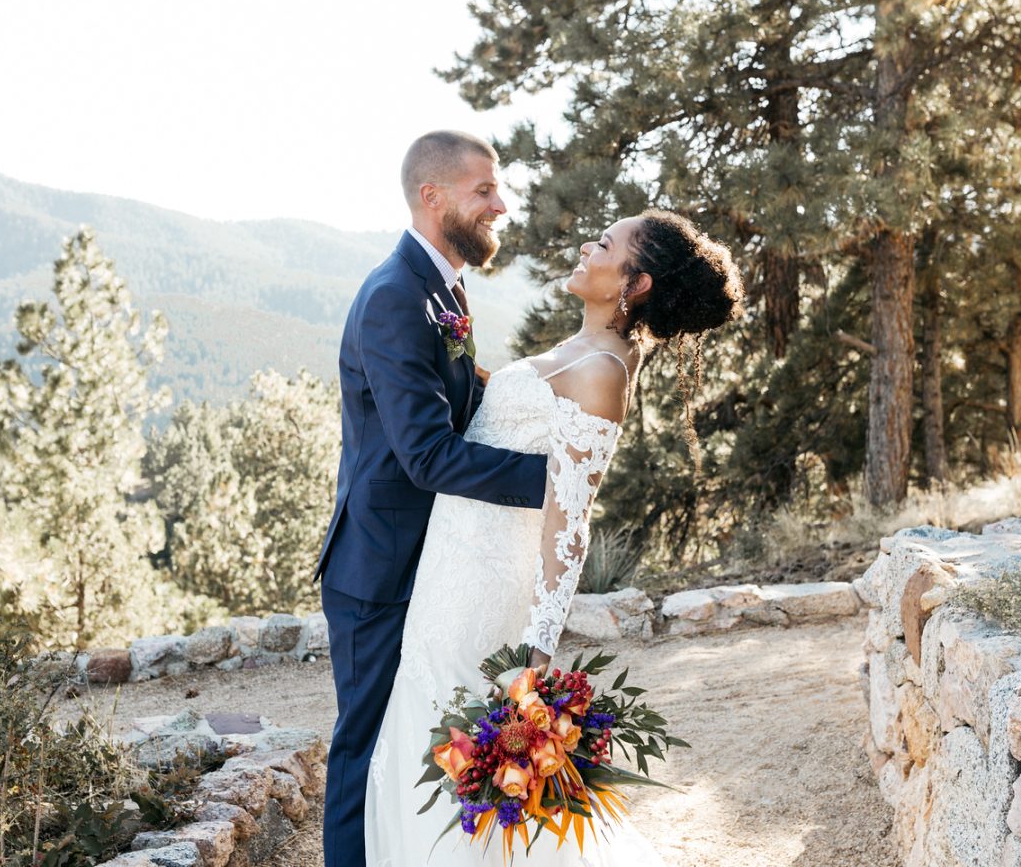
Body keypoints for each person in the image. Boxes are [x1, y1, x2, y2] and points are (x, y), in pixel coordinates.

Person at [365, 205, 743, 865]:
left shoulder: (604, 370)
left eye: (605, 244)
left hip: (485, 583)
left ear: (636, 283)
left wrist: (538, 657)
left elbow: (570, 522)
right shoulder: (586, 350)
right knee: (429, 731)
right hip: (453, 562)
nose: (587, 248)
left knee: (453, 749)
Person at [313, 130, 550, 867]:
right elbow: (425, 455)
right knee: (365, 750)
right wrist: (553, 481)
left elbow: (458, 402)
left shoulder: (443, 288)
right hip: (377, 569)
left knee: (415, 743)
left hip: (436, 559)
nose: (500, 205)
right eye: (484, 191)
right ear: (433, 196)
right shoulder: (395, 296)